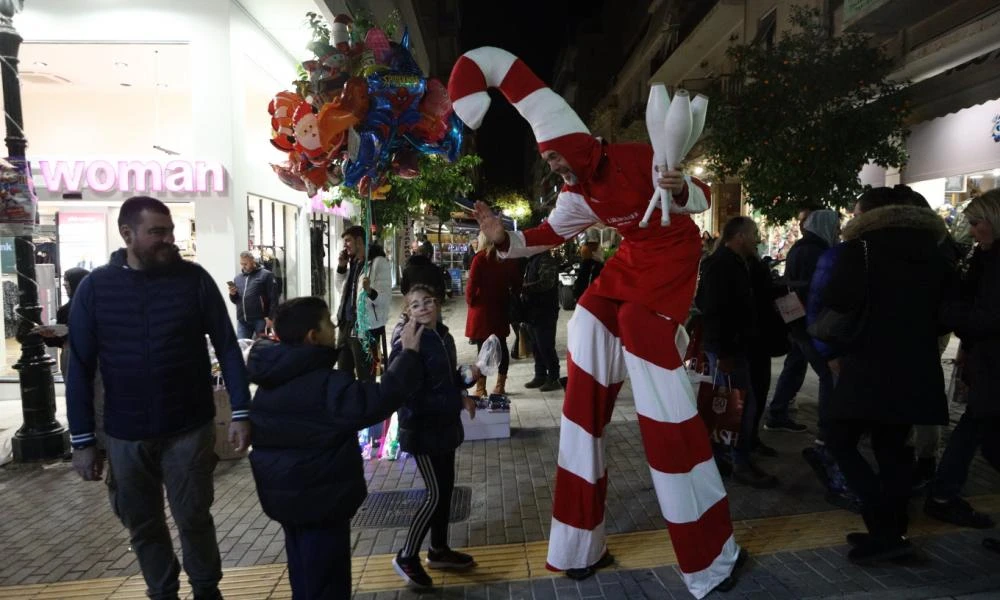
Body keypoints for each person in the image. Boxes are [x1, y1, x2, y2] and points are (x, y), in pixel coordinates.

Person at [451, 47, 744, 596]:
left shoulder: (637, 157)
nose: (554, 167)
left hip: (668, 272)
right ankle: (578, 544)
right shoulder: (578, 192)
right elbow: (546, 235)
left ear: (573, 146)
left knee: (647, 355)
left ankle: (711, 555)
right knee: (586, 324)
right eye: (548, 159)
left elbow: (698, 199)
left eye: (556, 157)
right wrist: (503, 238)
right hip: (628, 268)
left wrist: (678, 184)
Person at [66, 196, 251, 600]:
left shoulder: (194, 280)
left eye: (169, 231)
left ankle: (206, 591)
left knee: (193, 516)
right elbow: (77, 367)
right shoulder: (96, 289)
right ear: (127, 234)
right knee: (142, 522)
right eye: (158, 233)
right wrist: (82, 441)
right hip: (125, 433)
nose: (169, 240)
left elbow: (228, 346)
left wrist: (241, 411)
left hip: (189, 426)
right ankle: (162, 591)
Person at [247, 297, 424, 600]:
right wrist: (407, 355)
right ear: (312, 336)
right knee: (327, 581)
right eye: (328, 322)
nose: (334, 327)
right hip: (321, 499)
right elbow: (378, 400)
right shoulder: (325, 383)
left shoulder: (269, 380)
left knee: (302, 573)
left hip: (287, 499)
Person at [821, 187, 953, 564]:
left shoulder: (859, 251)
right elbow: (947, 311)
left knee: (839, 439)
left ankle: (883, 528)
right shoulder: (935, 252)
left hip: (867, 365)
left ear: (870, 215)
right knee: (894, 449)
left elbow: (838, 301)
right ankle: (894, 531)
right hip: (915, 366)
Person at [389, 284, 479, 590]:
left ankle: (438, 550)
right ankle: (407, 556)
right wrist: (457, 400)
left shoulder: (443, 335)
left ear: (437, 304)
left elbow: (445, 379)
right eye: (416, 305)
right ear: (407, 311)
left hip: (445, 427)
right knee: (435, 493)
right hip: (421, 428)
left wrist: (467, 378)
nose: (424, 307)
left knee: (446, 490)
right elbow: (409, 394)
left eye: (428, 301)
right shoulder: (407, 342)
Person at [925, 190, 1000, 531]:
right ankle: (942, 494)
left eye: (976, 223)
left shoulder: (992, 261)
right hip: (986, 363)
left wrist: (949, 312)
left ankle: (942, 493)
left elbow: (987, 316)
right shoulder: (983, 257)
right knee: (974, 429)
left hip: (992, 364)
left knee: (979, 432)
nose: (971, 231)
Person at [697, 217, 780, 488]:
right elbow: (715, 310)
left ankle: (722, 457)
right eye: (754, 233)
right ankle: (738, 461)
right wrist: (724, 353)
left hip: (734, 347)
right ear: (740, 236)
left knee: (730, 403)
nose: (758, 238)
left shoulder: (736, 263)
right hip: (728, 349)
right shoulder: (722, 265)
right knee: (739, 406)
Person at [766, 210, 841, 433]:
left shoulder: (801, 247)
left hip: (797, 318)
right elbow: (817, 288)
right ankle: (827, 430)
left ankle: (777, 413)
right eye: (835, 226)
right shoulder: (817, 251)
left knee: (794, 365)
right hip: (810, 320)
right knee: (827, 373)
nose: (838, 231)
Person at [465, 232, 522, 396]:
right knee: (501, 346)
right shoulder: (507, 259)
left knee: (482, 348)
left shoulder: (480, 259)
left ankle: (481, 388)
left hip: (482, 310)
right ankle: (500, 386)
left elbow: (471, 285)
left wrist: (471, 301)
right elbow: (517, 283)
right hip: (500, 308)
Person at [521, 247, 562, 391]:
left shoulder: (545, 260)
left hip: (545, 310)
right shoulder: (532, 260)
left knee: (545, 345)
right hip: (532, 310)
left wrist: (525, 288)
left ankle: (553, 377)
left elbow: (547, 283)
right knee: (536, 346)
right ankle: (540, 375)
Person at [335, 225, 372, 381]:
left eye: (348, 241)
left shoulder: (372, 264)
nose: (345, 245)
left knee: (364, 372)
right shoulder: (352, 264)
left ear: (359, 241)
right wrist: (342, 267)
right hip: (344, 323)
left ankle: (367, 403)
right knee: (343, 371)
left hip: (360, 325)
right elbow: (339, 288)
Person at [228, 251, 280, 340]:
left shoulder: (266, 275)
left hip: (261, 319)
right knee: (242, 346)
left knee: (262, 346)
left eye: (246, 264)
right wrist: (232, 294)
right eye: (241, 264)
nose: (243, 266)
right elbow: (236, 300)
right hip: (242, 320)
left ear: (253, 261)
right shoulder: (238, 278)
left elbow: (274, 298)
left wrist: (271, 317)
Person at [363, 242, 394, 368]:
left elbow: (381, 295)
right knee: (371, 350)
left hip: (374, 317)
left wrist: (370, 291)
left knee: (372, 352)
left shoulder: (379, 263)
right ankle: (376, 367)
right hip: (370, 317)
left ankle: (376, 368)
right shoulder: (370, 263)